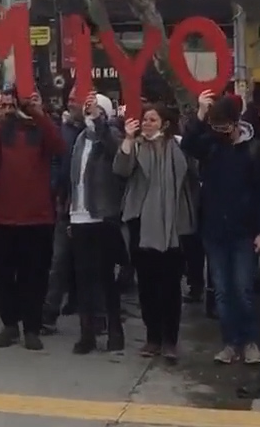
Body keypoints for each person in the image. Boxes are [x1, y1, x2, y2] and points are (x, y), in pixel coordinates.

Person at [0, 89, 67, 350]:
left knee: (34, 277)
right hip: (4, 218)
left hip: (38, 218)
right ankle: (10, 325)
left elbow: (59, 145)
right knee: (3, 276)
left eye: (16, 103)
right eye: (8, 104)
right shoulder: (1, 129)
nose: (12, 109)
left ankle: (31, 328)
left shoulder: (42, 129)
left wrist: (37, 110)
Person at [181, 90, 260, 365]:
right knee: (222, 291)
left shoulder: (253, 149)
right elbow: (188, 144)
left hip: (244, 231)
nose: (219, 131)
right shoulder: (211, 145)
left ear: (235, 123)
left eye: (223, 126)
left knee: (243, 289)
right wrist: (199, 115)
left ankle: (250, 340)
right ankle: (230, 342)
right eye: (214, 126)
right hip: (214, 231)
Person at [114, 104, 198, 362]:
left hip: (172, 224)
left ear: (164, 124)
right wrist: (128, 140)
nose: (146, 123)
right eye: (144, 118)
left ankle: (170, 340)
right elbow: (121, 170)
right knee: (147, 284)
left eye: (152, 119)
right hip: (142, 224)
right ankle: (152, 337)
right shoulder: (136, 145)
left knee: (170, 285)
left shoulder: (177, 146)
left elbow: (190, 172)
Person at [61, 93, 125, 354]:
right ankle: (87, 332)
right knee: (83, 278)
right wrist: (69, 212)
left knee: (106, 277)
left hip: (102, 215)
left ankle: (115, 330)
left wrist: (101, 123)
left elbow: (115, 150)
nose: (90, 115)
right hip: (79, 217)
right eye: (88, 111)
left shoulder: (110, 136)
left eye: (95, 111)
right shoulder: (80, 139)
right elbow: (73, 178)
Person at [44, 95, 86, 331]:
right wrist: (56, 189)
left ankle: (91, 316)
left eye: (76, 99)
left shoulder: (102, 132)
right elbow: (55, 162)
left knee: (88, 264)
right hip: (66, 205)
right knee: (59, 261)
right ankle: (50, 311)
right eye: (69, 98)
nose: (71, 102)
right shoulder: (63, 131)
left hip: (91, 208)